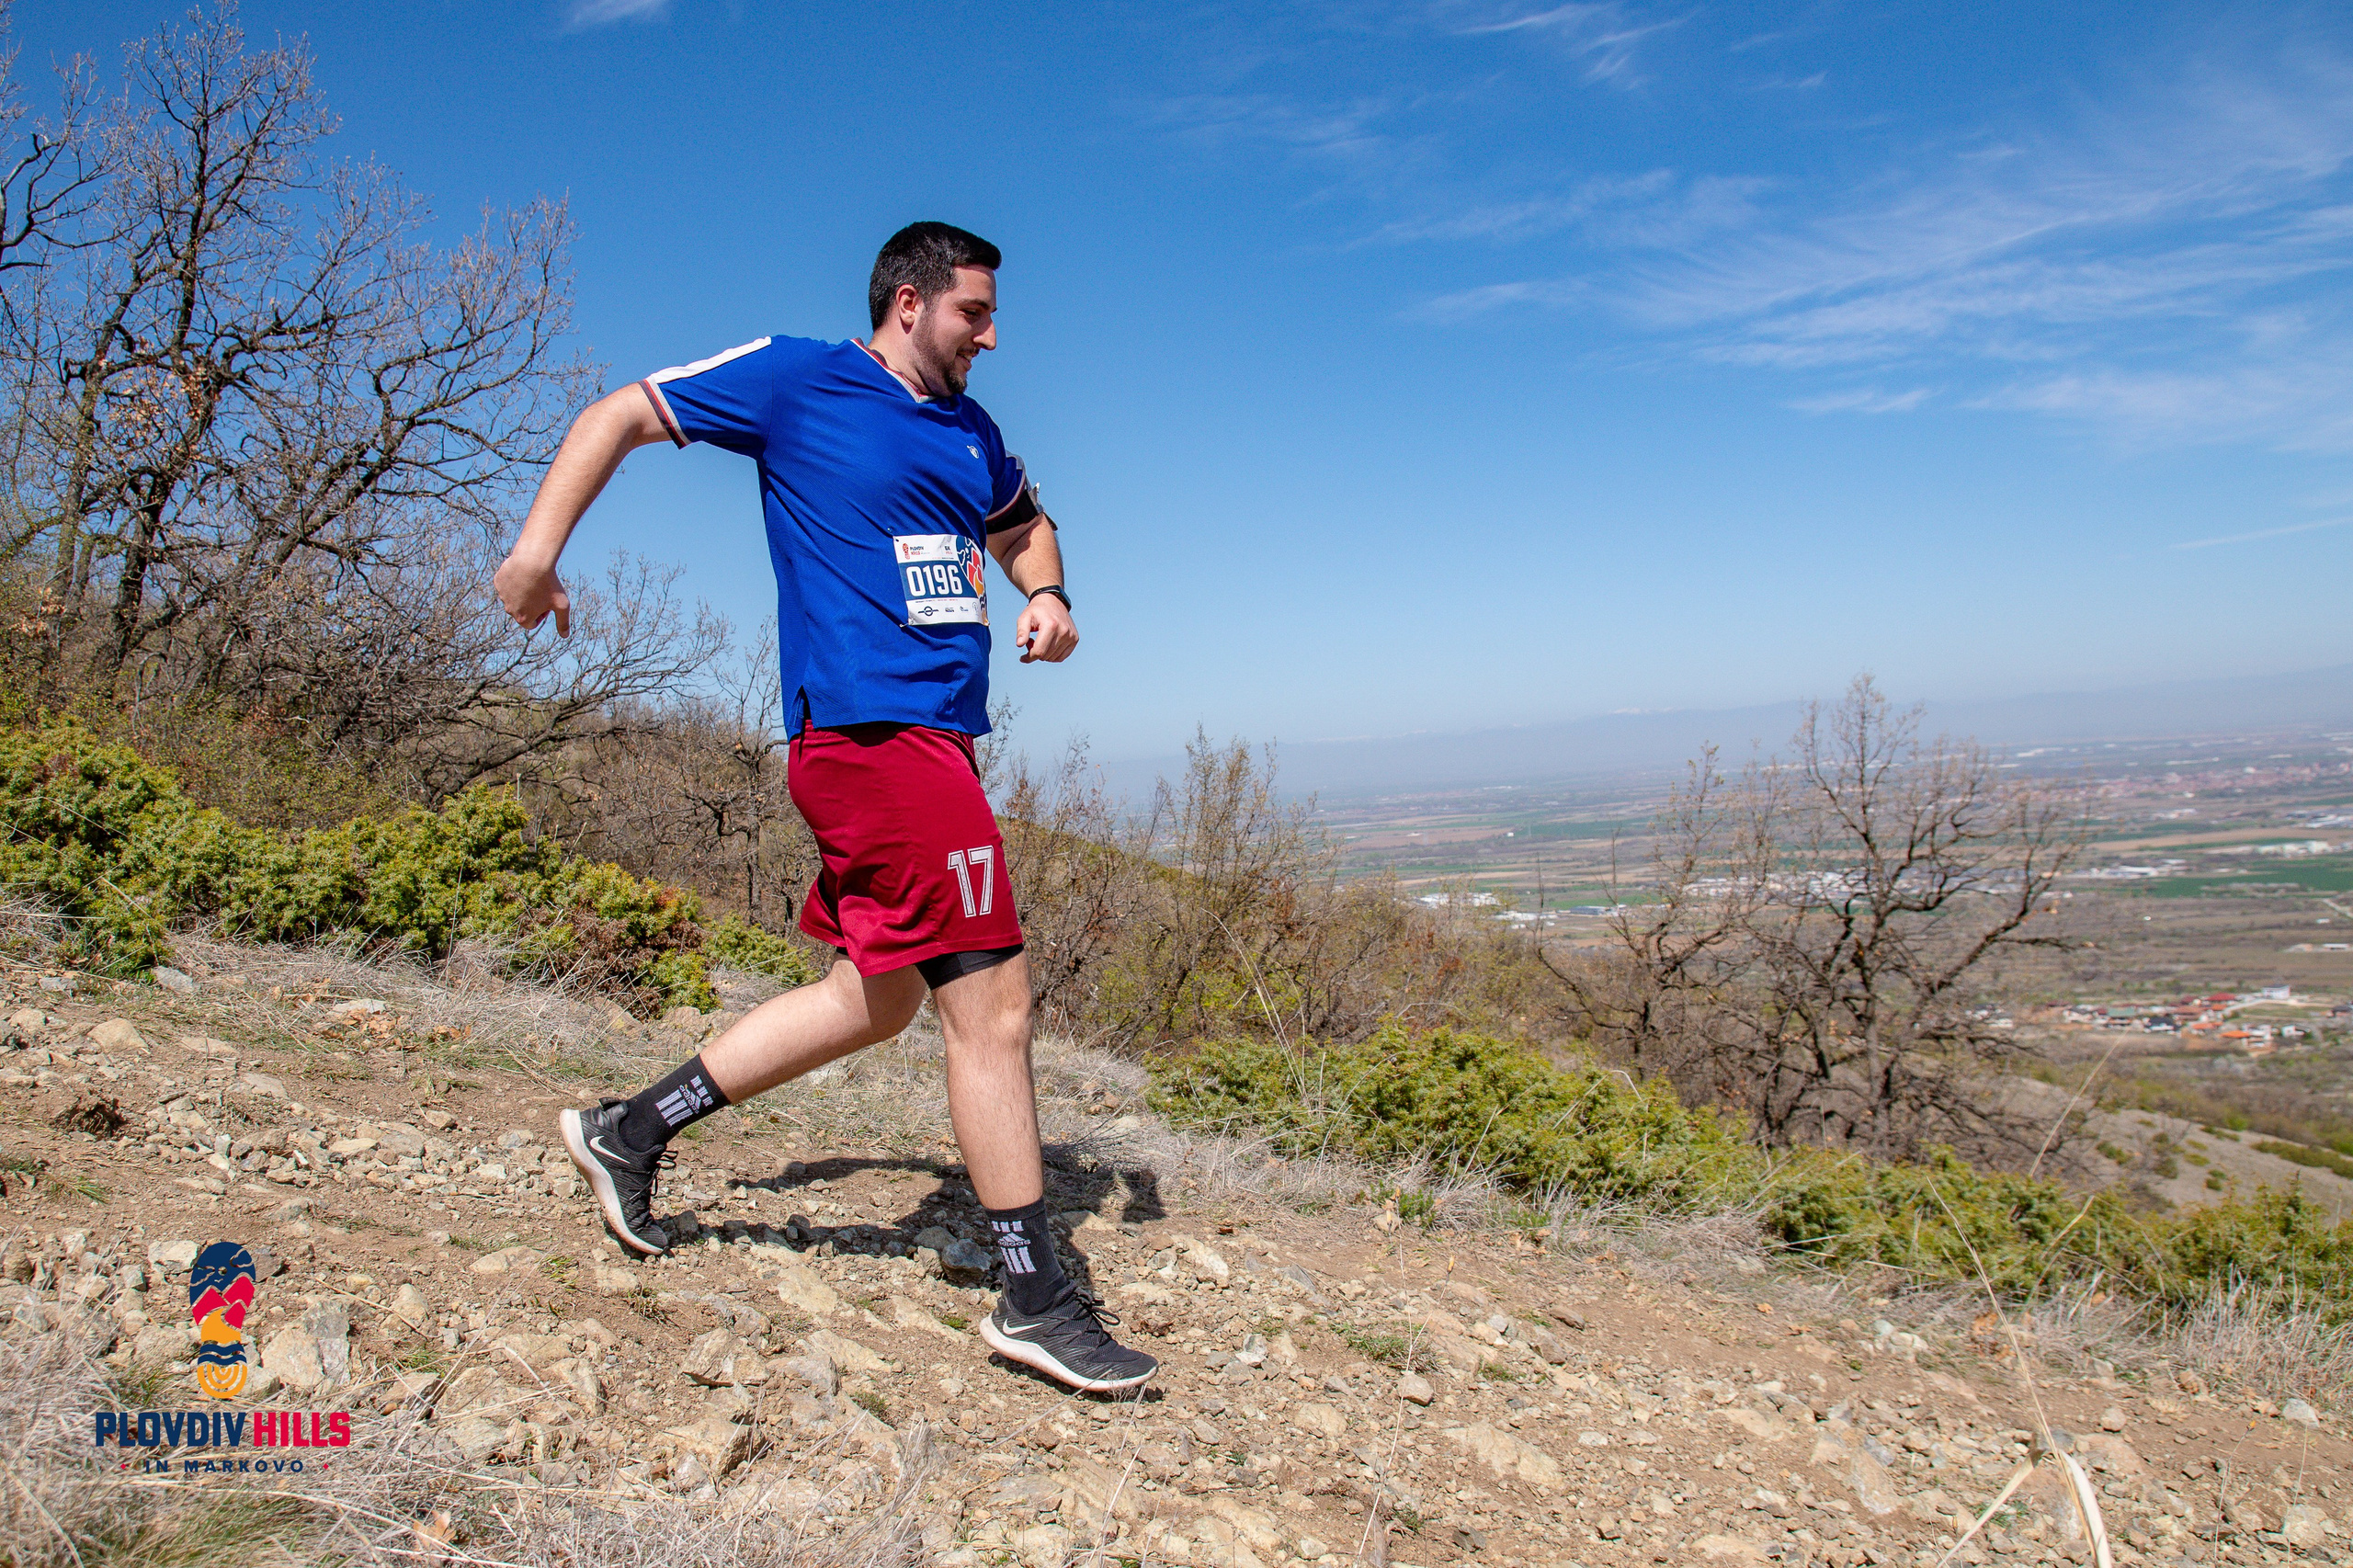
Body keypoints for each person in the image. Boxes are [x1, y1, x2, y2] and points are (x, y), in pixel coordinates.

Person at [491, 222, 1155, 1394]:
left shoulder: (969, 430)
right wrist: (535, 556)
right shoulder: (800, 379)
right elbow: (621, 414)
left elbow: (1021, 522)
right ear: (909, 301)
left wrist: (1047, 592)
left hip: (933, 739)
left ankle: (627, 1131)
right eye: (974, 313)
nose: (990, 336)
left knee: (874, 998)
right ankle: (1036, 1298)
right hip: (869, 735)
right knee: (993, 1008)